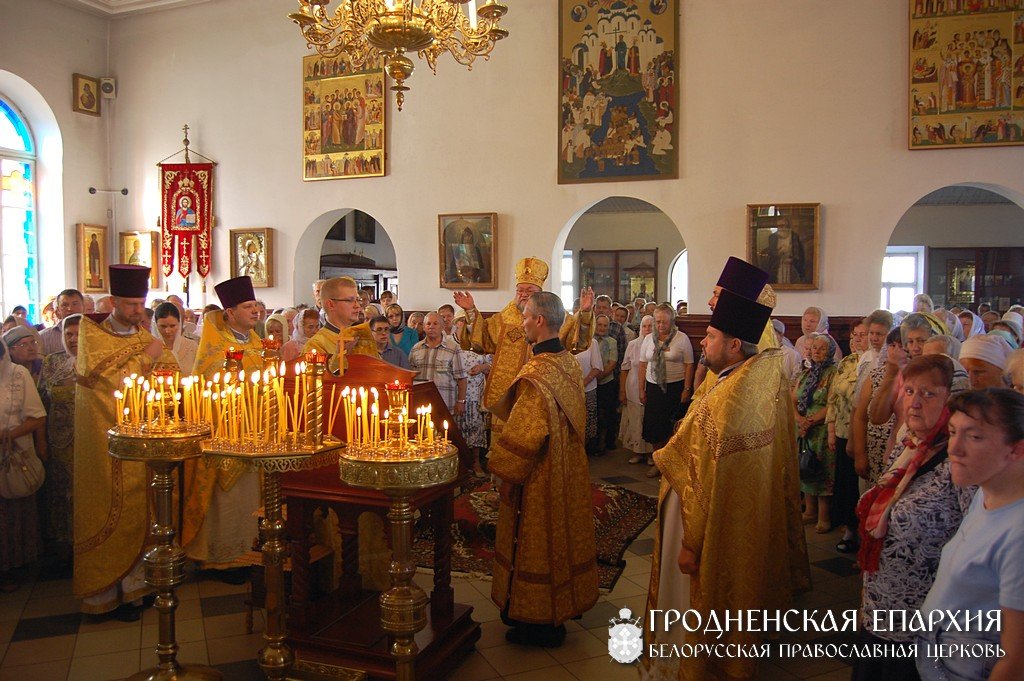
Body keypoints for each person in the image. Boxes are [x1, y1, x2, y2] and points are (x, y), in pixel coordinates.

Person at [643, 289, 809, 681]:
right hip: (731, 517)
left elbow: (701, 479)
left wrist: (689, 544)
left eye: (711, 336)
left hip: (698, 524)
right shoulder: (752, 378)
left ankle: (684, 664)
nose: (703, 340)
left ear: (735, 345)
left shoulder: (726, 400)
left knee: (689, 601)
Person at [853, 354, 974, 681]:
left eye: (929, 394)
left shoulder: (962, 461)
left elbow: (971, 547)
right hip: (881, 608)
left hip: (923, 622)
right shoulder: (909, 444)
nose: (915, 403)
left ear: (952, 400)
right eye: (909, 392)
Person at [487, 291, 598, 648]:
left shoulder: (539, 372)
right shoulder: (566, 362)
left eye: (526, 316)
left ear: (539, 320)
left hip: (540, 475)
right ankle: (560, 608)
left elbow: (526, 432)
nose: (522, 322)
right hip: (566, 467)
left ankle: (536, 622)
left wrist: (506, 474)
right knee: (560, 537)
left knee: (536, 540)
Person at [75, 264, 169, 620]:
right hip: (103, 440)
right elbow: (106, 384)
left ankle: (134, 589)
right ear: (113, 301)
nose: (137, 311)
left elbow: (165, 369)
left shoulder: (141, 334)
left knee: (140, 509)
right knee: (106, 506)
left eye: (141, 304)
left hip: (141, 436)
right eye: (130, 304)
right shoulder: (91, 334)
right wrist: (149, 358)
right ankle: (102, 593)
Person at [916, 389, 1024, 681]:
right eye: (953, 432)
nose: (954, 449)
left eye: (975, 437)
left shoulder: (1018, 534)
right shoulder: (986, 492)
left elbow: (1017, 659)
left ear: (1016, 449)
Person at [454, 257, 594, 450]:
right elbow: (483, 339)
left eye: (530, 291)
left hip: (542, 391)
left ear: (540, 293)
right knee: (507, 445)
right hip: (508, 393)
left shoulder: (554, 316)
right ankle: (503, 478)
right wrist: (470, 310)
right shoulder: (504, 317)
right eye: (520, 290)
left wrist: (585, 313)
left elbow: (576, 339)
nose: (524, 295)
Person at [186, 276, 263, 583]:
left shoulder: (257, 342)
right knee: (227, 497)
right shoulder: (214, 346)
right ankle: (222, 559)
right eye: (248, 307)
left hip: (257, 429)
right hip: (225, 432)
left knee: (251, 496)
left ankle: (250, 552)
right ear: (230, 313)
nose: (255, 311)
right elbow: (206, 380)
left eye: (256, 305)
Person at [0, 336, 47, 592]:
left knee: (12, 513)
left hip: (14, 454)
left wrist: (8, 435)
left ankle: (14, 567)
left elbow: (37, 417)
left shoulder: (18, 375)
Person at [36, 314, 80, 567]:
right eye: (68, 334)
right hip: (59, 438)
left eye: (78, 334)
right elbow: (43, 400)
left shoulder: (96, 361)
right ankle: (63, 545)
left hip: (89, 441)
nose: (73, 339)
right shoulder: (53, 361)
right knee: (60, 491)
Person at [639, 303, 694, 477]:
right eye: (657, 322)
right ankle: (658, 463)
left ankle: (671, 464)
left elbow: (689, 365)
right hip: (654, 388)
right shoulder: (648, 339)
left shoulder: (682, 338)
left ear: (672, 321)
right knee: (655, 427)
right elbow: (642, 365)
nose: (660, 325)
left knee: (671, 428)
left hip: (674, 388)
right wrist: (641, 389)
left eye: (664, 322)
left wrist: (686, 389)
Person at [795, 334, 839, 532]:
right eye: (814, 348)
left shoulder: (833, 373)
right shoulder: (806, 373)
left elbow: (832, 403)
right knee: (806, 469)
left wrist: (810, 421)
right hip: (804, 430)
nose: (817, 352)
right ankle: (809, 511)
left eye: (821, 349)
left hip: (821, 429)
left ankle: (824, 516)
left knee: (821, 472)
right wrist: (800, 421)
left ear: (829, 352)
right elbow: (793, 399)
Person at [305, 276, 378, 375]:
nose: (357, 305)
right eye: (350, 300)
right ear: (331, 305)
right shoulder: (315, 345)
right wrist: (340, 356)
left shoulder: (361, 335)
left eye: (357, 300)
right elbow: (316, 383)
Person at [452, 314, 491, 478]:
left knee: (475, 427)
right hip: (456, 392)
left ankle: (475, 462)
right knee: (456, 429)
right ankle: (458, 463)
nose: (465, 325)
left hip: (475, 393)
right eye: (462, 322)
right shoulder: (449, 342)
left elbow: (493, 362)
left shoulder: (482, 342)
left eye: (469, 323)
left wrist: (483, 366)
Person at [409, 312, 467, 414]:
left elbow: (461, 378)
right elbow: (410, 376)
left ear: (442, 327)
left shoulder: (453, 348)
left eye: (435, 324)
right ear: (423, 327)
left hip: (445, 404)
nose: (431, 327)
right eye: (428, 324)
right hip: (421, 404)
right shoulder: (416, 349)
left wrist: (461, 401)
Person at [620, 315, 654, 465]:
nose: (647, 329)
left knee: (648, 419)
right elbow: (624, 368)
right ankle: (637, 452)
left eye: (650, 326)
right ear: (640, 328)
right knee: (635, 420)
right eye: (644, 326)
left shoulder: (657, 344)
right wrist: (622, 391)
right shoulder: (633, 344)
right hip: (633, 386)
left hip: (651, 385)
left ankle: (651, 454)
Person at [593, 313, 619, 455]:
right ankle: (594, 442)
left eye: (605, 325)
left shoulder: (612, 342)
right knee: (595, 413)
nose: (602, 328)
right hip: (591, 382)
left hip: (606, 381)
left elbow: (612, 362)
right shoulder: (589, 341)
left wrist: (600, 375)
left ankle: (608, 441)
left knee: (608, 413)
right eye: (599, 325)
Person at [153, 302, 198, 374]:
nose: (167, 331)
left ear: (179, 323)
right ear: (155, 325)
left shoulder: (191, 346)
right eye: (163, 326)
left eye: (172, 326)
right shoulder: (150, 347)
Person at [39, 289, 83, 355]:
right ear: (57, 311)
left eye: (75, 304)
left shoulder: (95, 333)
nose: (70, 309)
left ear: (83, 307)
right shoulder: (43, 337)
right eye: (64, 305)